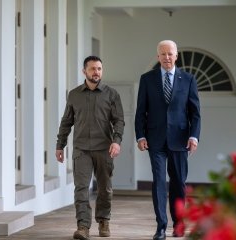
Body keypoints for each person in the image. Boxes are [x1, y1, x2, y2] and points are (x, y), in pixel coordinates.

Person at [134, 40, 201, 240]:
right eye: (163, 54)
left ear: (176, 55)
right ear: (158, 57)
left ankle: (179, 225)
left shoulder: (188, 79)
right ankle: (161, 227)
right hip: (155, 140)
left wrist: (194, 136)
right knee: (159, 183)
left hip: (180, 140)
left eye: (170, 54)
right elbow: (140, 112)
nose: (167, 57)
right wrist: (141, 135)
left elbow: (195, 113)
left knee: (178, 183)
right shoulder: (147, 79)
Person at [56, 56, 125, 240]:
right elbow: (66, 122)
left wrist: (116, 141)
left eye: (99, 69)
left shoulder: (112, 94)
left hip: (104, 149)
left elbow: (119, 121)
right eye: (93, 69)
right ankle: (83, 227)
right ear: (84, 71)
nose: (97, 72)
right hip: (81, 149)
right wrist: (60, 145)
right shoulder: (74, 94)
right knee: (81, 188)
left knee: (105, 188)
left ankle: (103, 220)